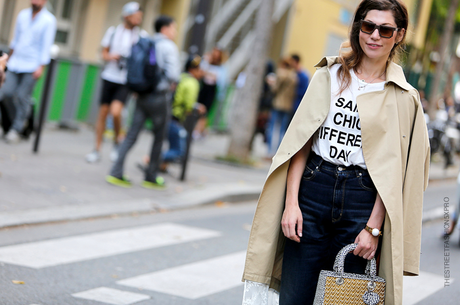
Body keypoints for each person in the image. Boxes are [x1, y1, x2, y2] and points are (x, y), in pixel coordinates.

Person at [242, 1, 430, 305]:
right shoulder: (329, 76)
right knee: (294, 297)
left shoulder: (404, 97)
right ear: (358, 27)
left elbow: (394, 171)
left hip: (362, 199)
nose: (374, 36)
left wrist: (373, 228)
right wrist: (292, 205)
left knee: (345, 300)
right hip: (313, 189)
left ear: (399, 35)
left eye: (385, 29)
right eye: (368, 26)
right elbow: (300, 144)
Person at [106, 15, 180, 189]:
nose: (175, 32)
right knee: (158, 137)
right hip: (159, 97)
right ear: (165, 29)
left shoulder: (146, 42)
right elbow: (173, 75)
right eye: (173, 28)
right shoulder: (169, 46)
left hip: (141, 95)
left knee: (131, 134)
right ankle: (151, 176)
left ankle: (116, 171)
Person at [86, 2, 148, 163]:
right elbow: (103, 52)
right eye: (136, 16)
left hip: (126, 80)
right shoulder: (113, 32)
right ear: (127, 15)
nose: (138, 20)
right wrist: (111, 56)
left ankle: (116, 142)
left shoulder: (141, 36)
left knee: (116, 112)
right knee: (102, 114)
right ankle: (97, 149)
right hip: (109, 76)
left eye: (140, 17)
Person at [0, 0, 56, 143]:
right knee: (5, 92)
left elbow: (46, 45)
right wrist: (8, 59)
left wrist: (41, 67)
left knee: (21, 96)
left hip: (32, 65)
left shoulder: (49, 20)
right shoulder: (22, 15)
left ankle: (17, 129)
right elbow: (16, 40)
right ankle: (10, 122)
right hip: (15, 62)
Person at [160, 54, 205, 172]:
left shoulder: (181, 77)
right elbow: (189, 105)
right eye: (199, 69)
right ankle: (154, 159)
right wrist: (198, 108)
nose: (201, 72)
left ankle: (161, 166)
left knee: (172, 143)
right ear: (193, 69)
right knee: (179, 151)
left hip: (167, 114)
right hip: (175, 118)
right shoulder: (192, 83)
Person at [265, 58, 297, 157]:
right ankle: (279, 152)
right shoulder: (294, 76)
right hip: (288, 105)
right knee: (282, 129)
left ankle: (270, 151)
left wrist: (270, 84)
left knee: (272, 127)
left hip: (278, 104)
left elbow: (275, 89)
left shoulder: (280, 73)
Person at [194, 46, 227, 138]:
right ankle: (201, 130)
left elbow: (220, 80)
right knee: (198, 108)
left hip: (212, 90)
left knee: (205, 112)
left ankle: (199, 131)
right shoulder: (206, 63)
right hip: (203, 88)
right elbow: (201, 72)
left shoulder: (222, 67)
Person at [289, 54, 310, 118]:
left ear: (296, 62)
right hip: (290, 105)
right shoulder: (293, 73)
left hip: (297, 106)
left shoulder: (303, 76)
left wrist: (292, 92)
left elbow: (304, 91)